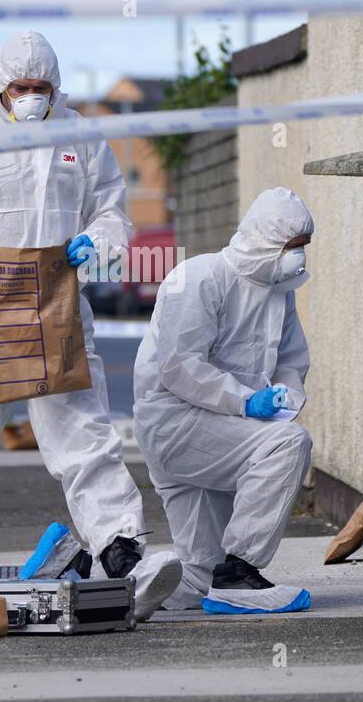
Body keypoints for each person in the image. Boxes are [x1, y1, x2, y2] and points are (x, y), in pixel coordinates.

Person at [0, 30, 180, 620]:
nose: (30, 96)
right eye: (20, 87)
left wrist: (95, 243)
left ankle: (124, 555)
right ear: (2, 84)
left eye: (41, 87)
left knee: (85, 437)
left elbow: (110, 210)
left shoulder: (79, 133)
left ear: (56, 86)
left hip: (57, 308)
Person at [133, 188, 314, 613]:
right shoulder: (200, 276)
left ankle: (79, 568)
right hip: (177, 423)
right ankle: (241, 573)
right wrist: (248, 402)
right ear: (266, 240)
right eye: (292, 247)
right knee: (288, 444)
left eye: (303, 247)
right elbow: (179, 367)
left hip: (219, 430)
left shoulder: (278, 290)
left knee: (195, 580)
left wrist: (285, 397)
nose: (299, 256)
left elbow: (291, 359)